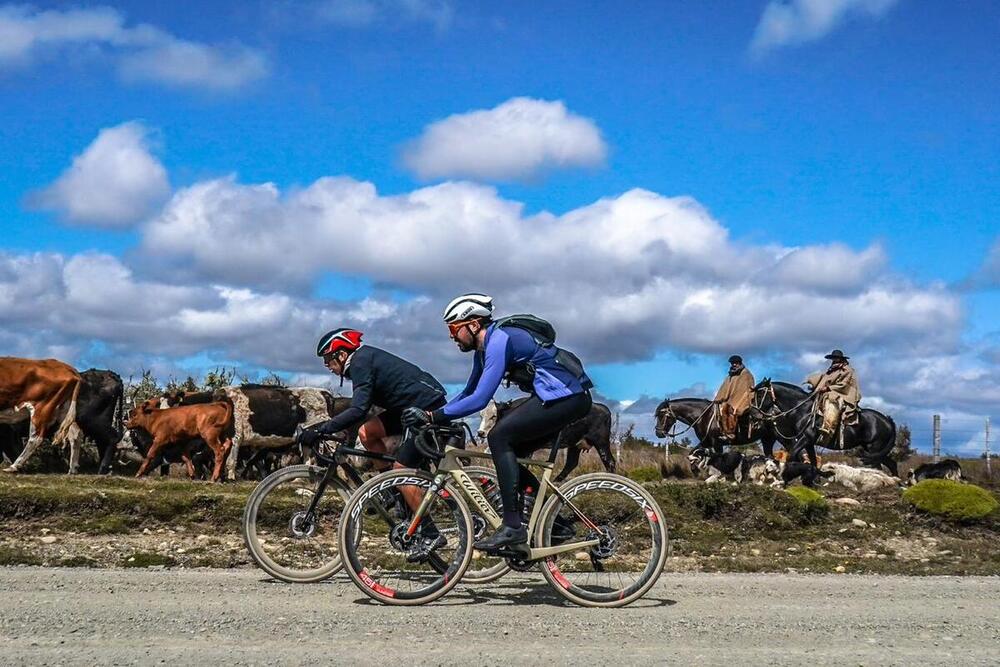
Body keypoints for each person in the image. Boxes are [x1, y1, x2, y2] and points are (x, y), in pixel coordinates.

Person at [402, 294, 593, 553]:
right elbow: (469, 392)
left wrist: (433, 417)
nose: (451, 337)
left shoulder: (500, 339)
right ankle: (556, 526)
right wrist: (433, 414)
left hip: (568, 397)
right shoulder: (483, 352)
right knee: (511, 454)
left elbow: (480, 399)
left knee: (499, 437)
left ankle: (513, 527)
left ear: (473, 324)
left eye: (453, 329)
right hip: (556, 397)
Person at [296, 328, 448, 561]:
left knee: (402, 471)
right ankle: (392, 492)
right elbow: (361, 415)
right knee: (368, 433)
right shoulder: (361, 362)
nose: (326, 364)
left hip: (426, 408)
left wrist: (321, 429)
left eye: (328, 358)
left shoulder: (361, 362)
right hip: (406, 408)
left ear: (343, 354)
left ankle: (430, 533)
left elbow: (359, 408)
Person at [805, 349, 861, 446]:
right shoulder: (831, 370)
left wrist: (828, 388)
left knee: (830, 400)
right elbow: (824, 380)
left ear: (841, 359)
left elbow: (844, 385)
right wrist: (816, 386)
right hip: (831, 391)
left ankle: (828, 427)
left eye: (836, 358)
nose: (834, 360)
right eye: (833, 358)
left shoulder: (847, 370)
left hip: (844, 393)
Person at [713, 355, 755, 441]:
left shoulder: (745, 374)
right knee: (722, 409)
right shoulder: (730, 375)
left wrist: (735, 399)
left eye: (736, 363)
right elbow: (725, 388)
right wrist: (719, 397)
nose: (734, 365)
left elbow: (746, 389)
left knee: (732, 410)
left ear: (740, 363)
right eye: (733, 363)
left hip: (743, 398)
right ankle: (722, 431)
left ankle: (731, 432)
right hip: (730, 399)